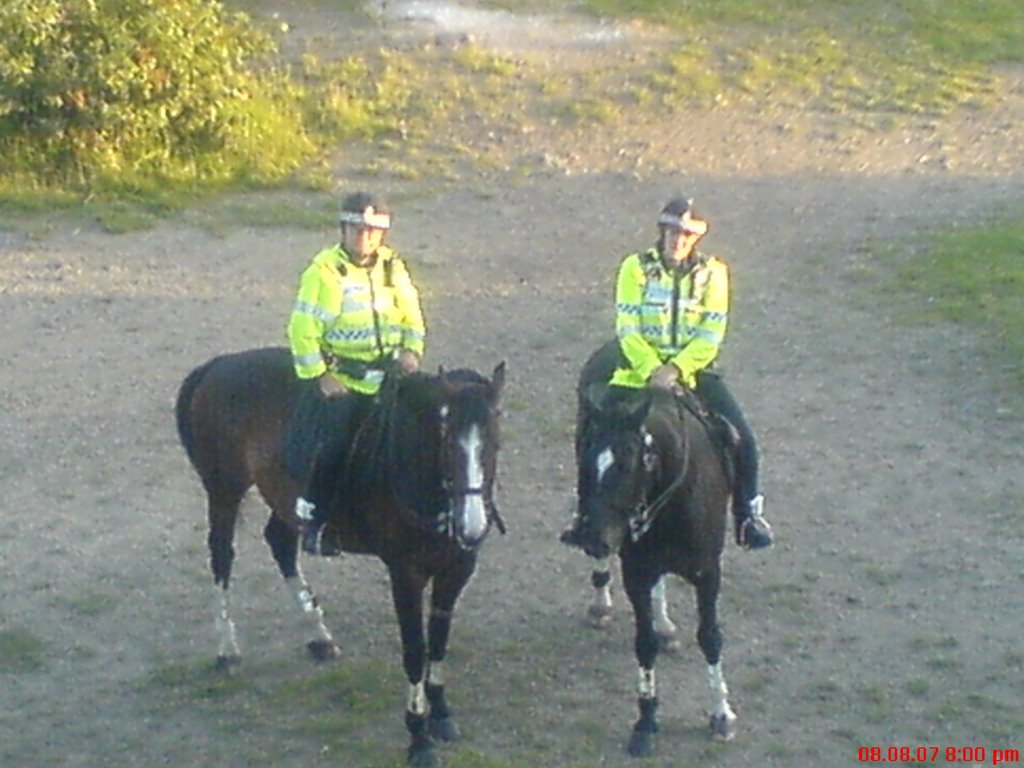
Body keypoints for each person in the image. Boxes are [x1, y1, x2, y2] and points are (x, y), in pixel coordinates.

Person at [565, 196, 773, 550]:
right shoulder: (635, 267)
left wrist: (677, 369)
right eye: (673, 232)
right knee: (592, 438)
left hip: (694, 374)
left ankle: (747, 515)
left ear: (696, 239)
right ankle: (586, 514)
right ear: (662, 231)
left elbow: (711, 333)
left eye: (687, 235)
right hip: (635, 373)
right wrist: (651, 369)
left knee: (743, 439)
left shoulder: (714, 274)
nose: (678, 240)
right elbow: (627, 327)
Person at [286, 191, 426, 555]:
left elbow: (412, 314)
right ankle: (313, 518)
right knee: (336, 446)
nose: (363, 237)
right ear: (343, 230)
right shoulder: (324, 271)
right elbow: (302, 330)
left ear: (382, 235)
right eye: (356, 229)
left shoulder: (393, 268)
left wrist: (412, 350)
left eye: (370, 230)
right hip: (346, 379)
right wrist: (320, 375)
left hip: (392, 376)